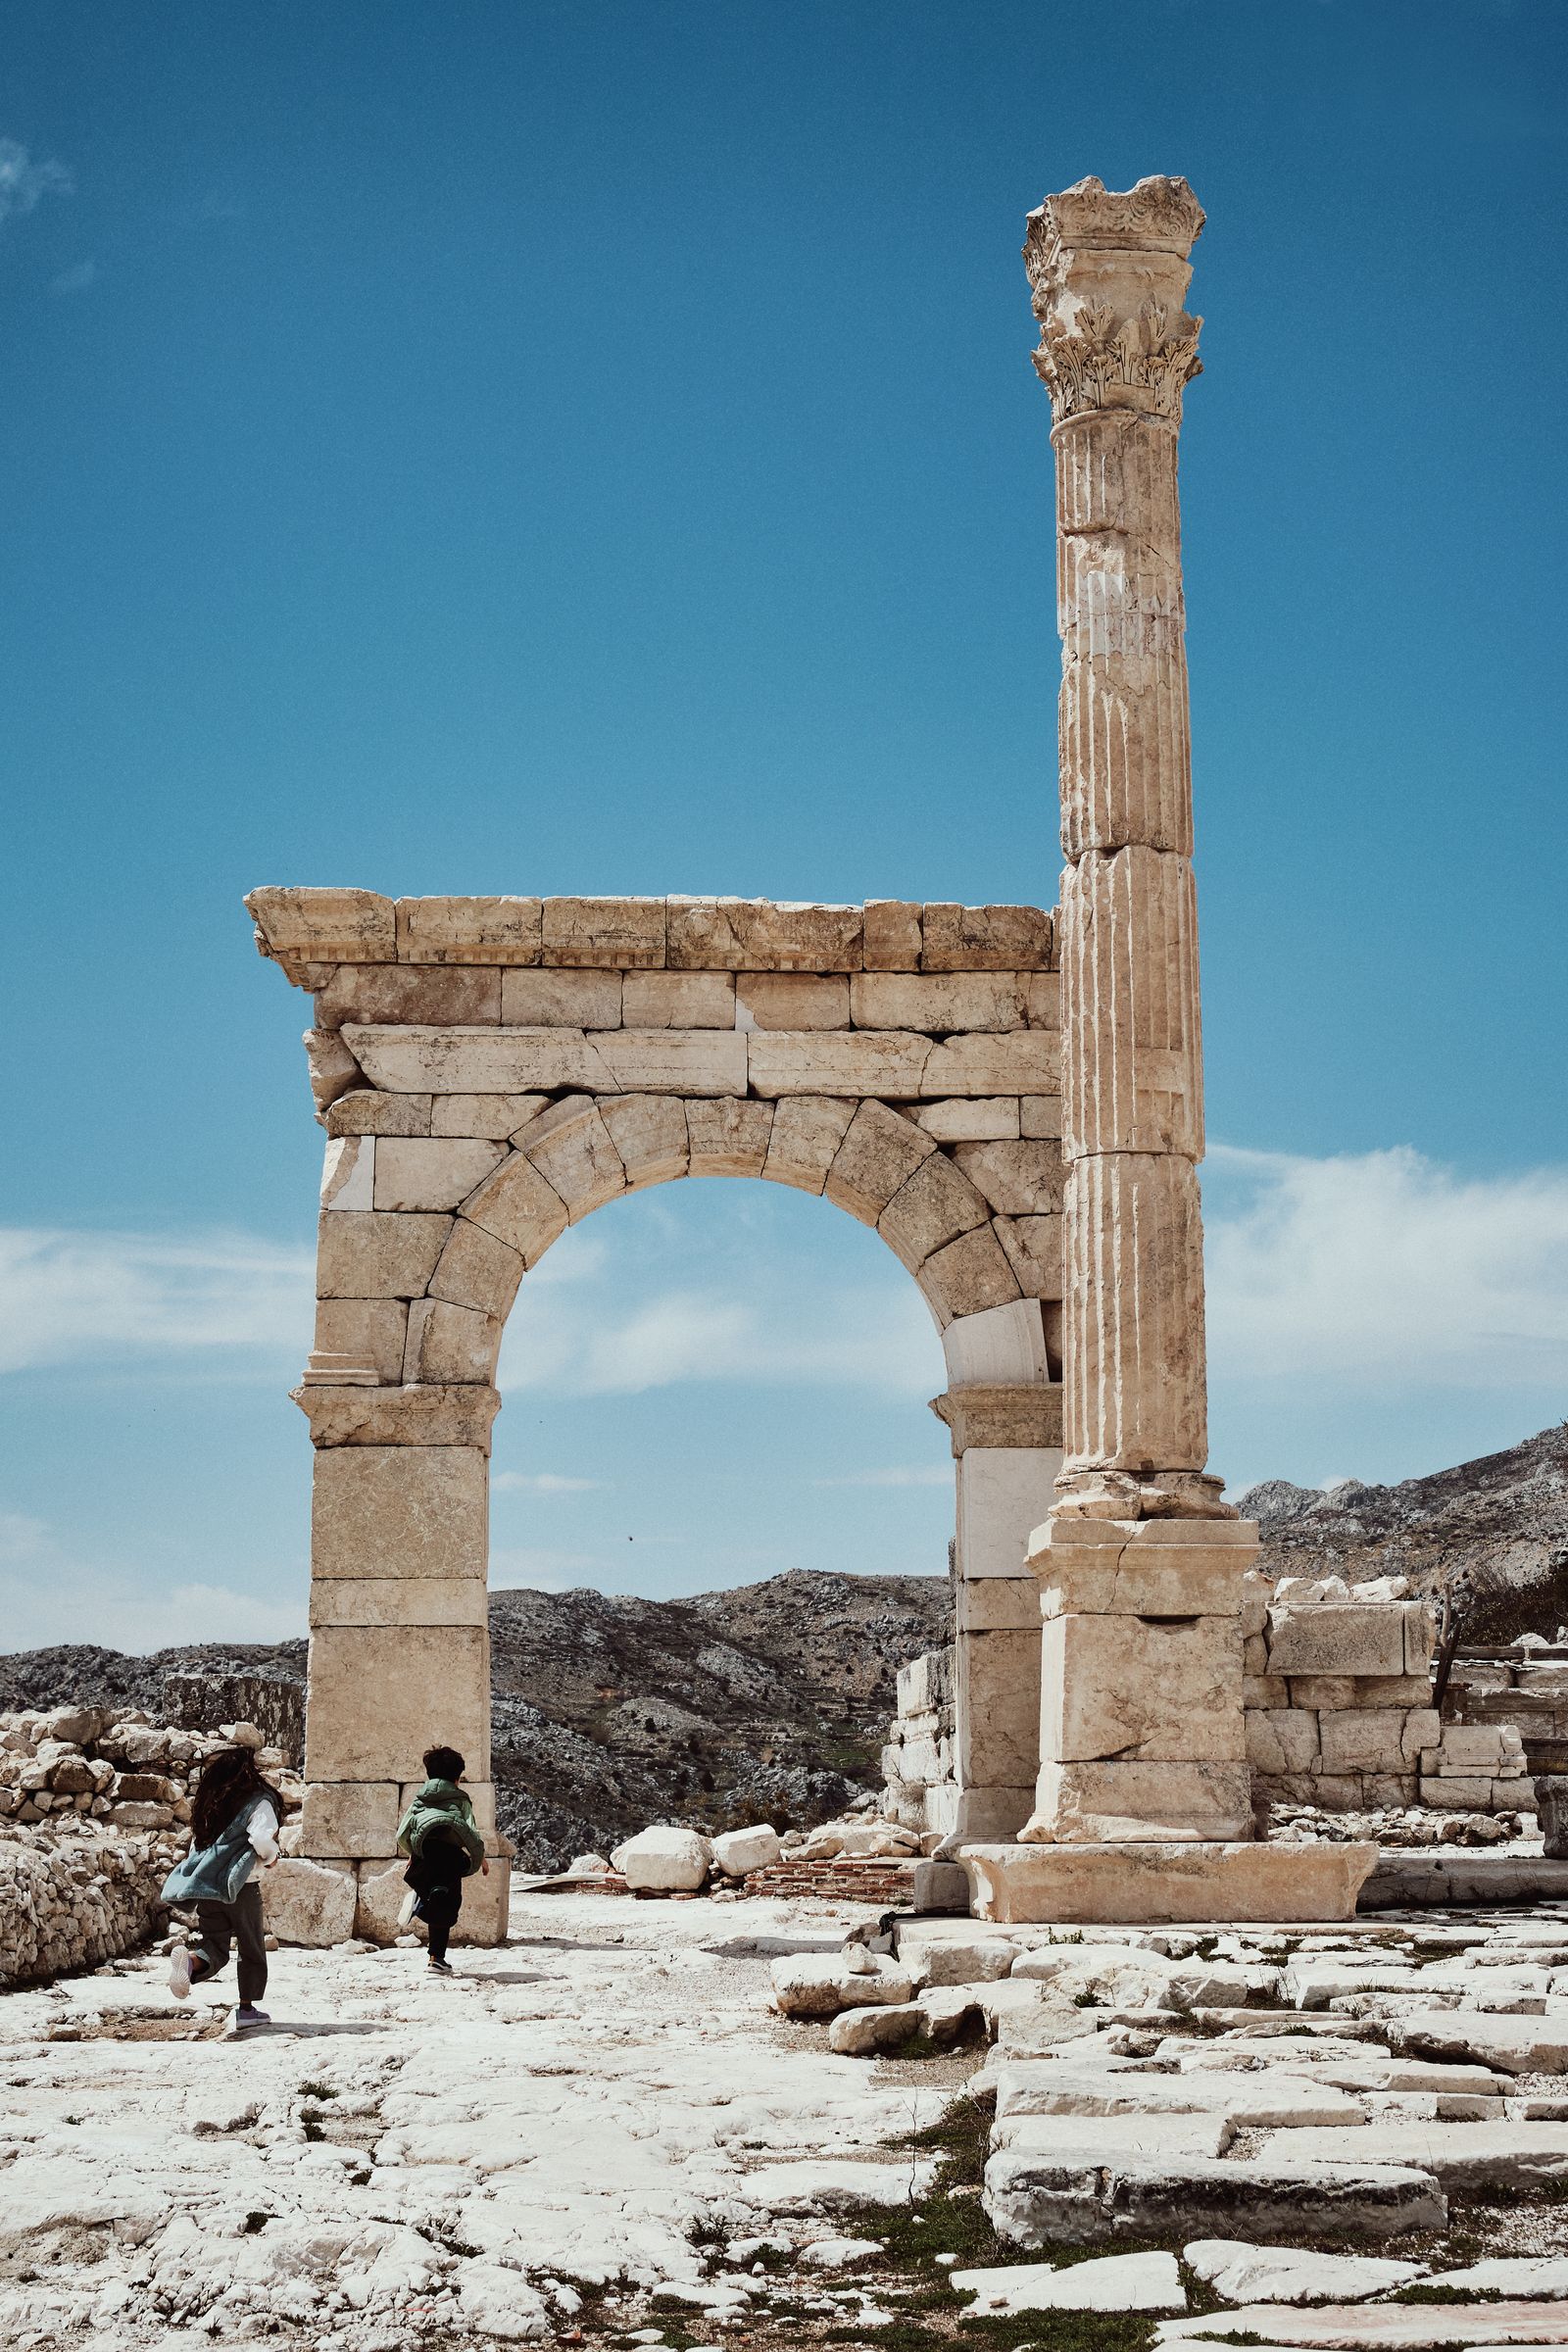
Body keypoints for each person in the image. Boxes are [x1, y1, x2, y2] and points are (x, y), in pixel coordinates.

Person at [160, 1744, 282, 2032]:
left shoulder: (211, 1804)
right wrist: (271, 1857)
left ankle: (190, 1962)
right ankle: (247, 2009)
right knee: (251, 1947)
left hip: (208, 1887)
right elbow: (262, 1838)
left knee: (214, 1945)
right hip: (242, 1887)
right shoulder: (259, 1801)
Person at [395, 1745, 488, 1976]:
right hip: (450, 1859)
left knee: (437, 1900)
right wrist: (479, 1860)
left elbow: (402, 1834)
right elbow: (470, 1832)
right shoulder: (461, 1801)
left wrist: (413, 1853)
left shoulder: (420, 1800)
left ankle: (435, 1957)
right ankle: (437, 1955)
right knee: (447, 1905)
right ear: (457, 1778)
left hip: (425, 1857)